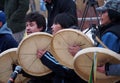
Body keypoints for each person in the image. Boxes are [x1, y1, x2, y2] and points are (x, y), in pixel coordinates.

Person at [69, 0, 120, 77]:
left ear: (113, 14)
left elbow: (99, 60)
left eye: (104, 12)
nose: (100, 15)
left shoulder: (111, 34)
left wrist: (79, 52)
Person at [36, 13, 87, 83]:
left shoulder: (75, 45)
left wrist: (45, 57)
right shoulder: (60, 44)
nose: (52, 27)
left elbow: (66, 70)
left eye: (55, 23)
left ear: (64, 26)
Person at [22, 11, 54, 83]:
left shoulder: (49, 43)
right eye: (26, 25)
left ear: (41, 27)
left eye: (31, 25)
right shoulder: (26, 44)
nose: (28, 28)